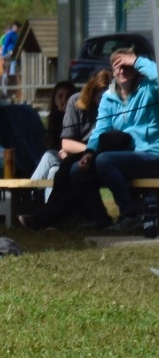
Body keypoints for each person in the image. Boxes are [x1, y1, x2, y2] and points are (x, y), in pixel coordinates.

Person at [19, 72, 112, 230]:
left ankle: (43, 216)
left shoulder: (113, 103)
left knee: (69, 168)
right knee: (63, 167)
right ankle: (46, 214)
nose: (102, 100)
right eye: (99, 95)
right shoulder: (75, 102)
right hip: (82, 155)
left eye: (105, 95)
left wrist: (91, 151)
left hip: (103, 154)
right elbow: (66, 143)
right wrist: (89, 150)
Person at [82, 48, 156, 232]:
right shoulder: (109, 97)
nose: (122, 71)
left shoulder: (150, 89)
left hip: (152, 154)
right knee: (77, 170)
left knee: (106, 160)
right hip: (126, 157)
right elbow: (101, 129)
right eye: (118, 67)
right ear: (113, 71)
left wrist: (136, 60)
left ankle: (130, 215)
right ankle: (99, 217)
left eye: (127, 66)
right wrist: (89, 152)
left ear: (135, 68)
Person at [28, 80, 78, 183]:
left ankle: (27, 191)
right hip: (59, 162)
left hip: (74, 159)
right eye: (60, 96)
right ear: (54, 100)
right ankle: (47, 199)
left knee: (48, 156)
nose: (64, 100)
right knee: (54, 171)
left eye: (67, 96)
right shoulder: (53, 120)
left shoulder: (77, 117)